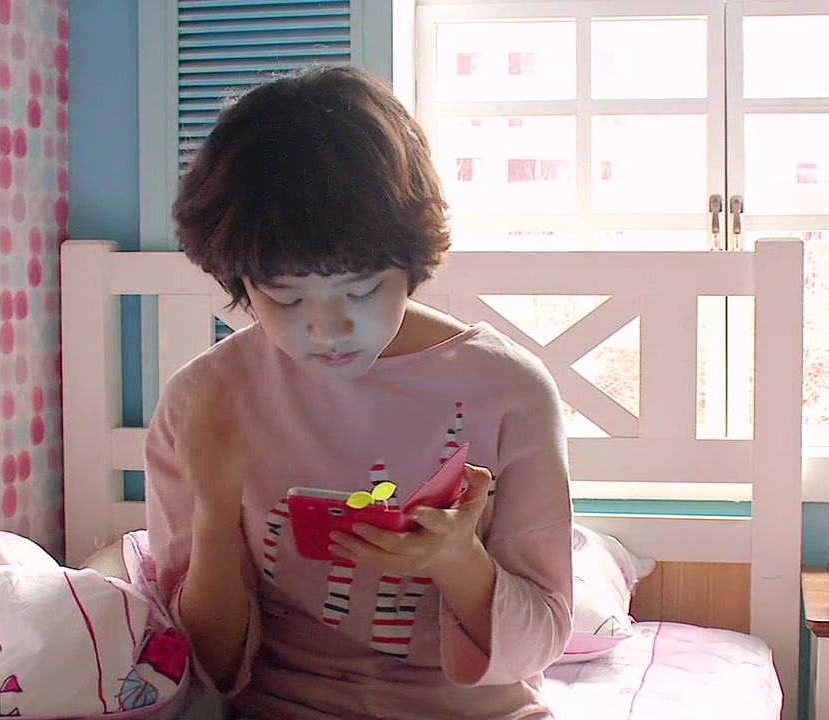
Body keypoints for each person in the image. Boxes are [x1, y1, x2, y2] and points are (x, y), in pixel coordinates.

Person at [143, 64, 574, 720]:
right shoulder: (204, 402)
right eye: (285, 298)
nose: (327, 329)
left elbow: (540, 639)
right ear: (240, 281)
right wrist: (214, 512)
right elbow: (210, 667)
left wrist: (458, 559)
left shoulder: (509, 392)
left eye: (363, 290)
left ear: (411, 263)